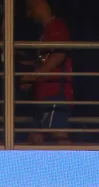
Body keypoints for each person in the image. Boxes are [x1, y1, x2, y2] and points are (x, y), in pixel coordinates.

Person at [21, 0, 73, 145]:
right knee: (34, 138)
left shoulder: (56, 25)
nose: (29, 14)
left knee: (59, 136)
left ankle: (71, 160)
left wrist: (35, 75)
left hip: (54, 94)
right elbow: (46, 60)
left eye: (30, 8)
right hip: (42, 95)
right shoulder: (45, 31)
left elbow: (59, 54)